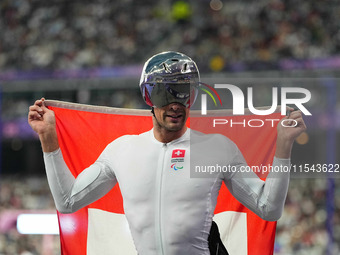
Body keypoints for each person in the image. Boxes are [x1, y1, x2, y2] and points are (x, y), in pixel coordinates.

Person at [28, 51, 306, 255]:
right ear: (149, 96)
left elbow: (269, 209)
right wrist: (47, 137)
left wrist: (284, 146)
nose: (176, 103)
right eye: (166, 93)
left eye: (185, 92)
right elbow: (67, 201)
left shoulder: (218, 148)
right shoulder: (121, 150)